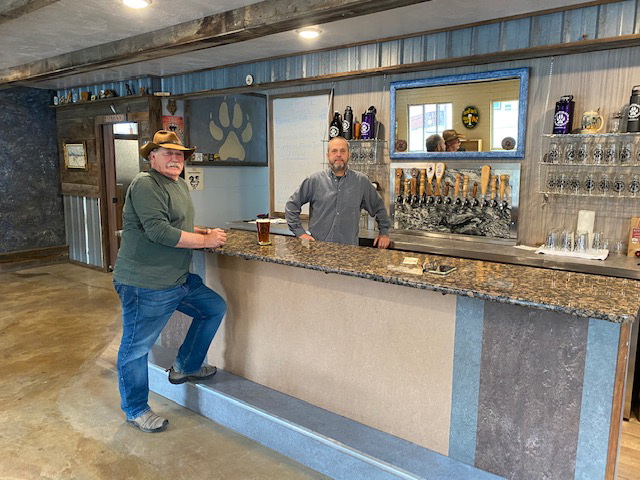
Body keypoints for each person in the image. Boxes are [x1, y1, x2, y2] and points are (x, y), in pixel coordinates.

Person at [113, 130, 227, 433]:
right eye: (168, 153)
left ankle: (185, 366)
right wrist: (206, 242)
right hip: (145, 283)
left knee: (213, 307)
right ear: (153, 157)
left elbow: (175, 223)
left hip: (176, 280)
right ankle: (136, 409)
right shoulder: (145, 184)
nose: (175, 158)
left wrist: (199, 231)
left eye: (179, 154)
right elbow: (159, 231)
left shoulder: (177, 184)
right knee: (136, 349)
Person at [285, 136, 391, 248]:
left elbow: (378, 207)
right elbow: (292, 205)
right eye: (334, 151)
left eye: (343, 151)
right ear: (328, 156)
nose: (339, 154)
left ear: (349, 155)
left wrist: (384, 233)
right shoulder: (314, 180)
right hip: (318, 251)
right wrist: (300, 233)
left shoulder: (361, 181)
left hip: (348, 251)